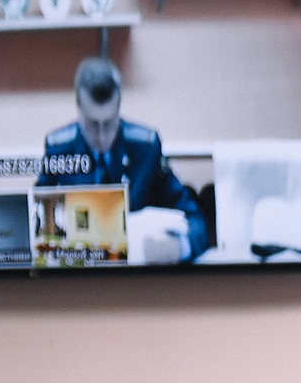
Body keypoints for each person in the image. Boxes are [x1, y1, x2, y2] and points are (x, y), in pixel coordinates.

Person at [38, 58, 209, 264]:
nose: (101, 137)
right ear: (79, 110)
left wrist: (179, 247)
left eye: (109, 124)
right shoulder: (59, 150)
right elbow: (37, 223)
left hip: (134, 274)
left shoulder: (146, 148)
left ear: (119, 110)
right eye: (92, 125)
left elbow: (194, 218)